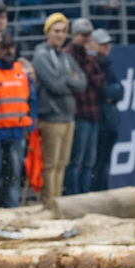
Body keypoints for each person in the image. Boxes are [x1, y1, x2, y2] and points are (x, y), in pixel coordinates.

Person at [30, 13, 85, 204]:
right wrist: (70, 79)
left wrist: (65, 79)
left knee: (62, 164)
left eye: (63, 31)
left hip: (67, 117)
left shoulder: (66, 57)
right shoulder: (41, 55)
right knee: (50, 165)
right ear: (48, 32)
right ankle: (48, 203)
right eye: (56, 31)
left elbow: (82, 83)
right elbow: (55, 85)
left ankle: (57, 202)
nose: (60, 35)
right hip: (51, 117)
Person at [0, 35, 33, 209]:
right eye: (4, 46)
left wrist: (31, 125)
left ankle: (14, 213)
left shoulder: (21, 70)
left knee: (13, 178)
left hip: (16, 134)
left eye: (11, 46)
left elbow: (31, 100)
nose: (9, 50)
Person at [64, 17, 105, 196]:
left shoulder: (90, 56)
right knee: (75, 161)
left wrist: (86, 72)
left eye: (89, 35)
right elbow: (83, 80)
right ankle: (74, 195)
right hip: (78, 114)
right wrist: (86, 74)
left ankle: (85, 195)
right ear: (74, 35)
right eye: (83, 35)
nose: (87, 39)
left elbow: (99, 80)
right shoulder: (68, 55)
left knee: (89, 162)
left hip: (92, 112)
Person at [90, 28, 122, 192]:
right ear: (93, 45)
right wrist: (110, 94)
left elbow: (120, 91)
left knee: (104, 164)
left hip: (109, 122)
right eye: (103, 44)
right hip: (99, 121)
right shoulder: (93, 64)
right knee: (96, 164)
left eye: (107, 44)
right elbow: (102, 91)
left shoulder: (107, 65)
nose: (106, 48)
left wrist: (110, 94)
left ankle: (102, 193)